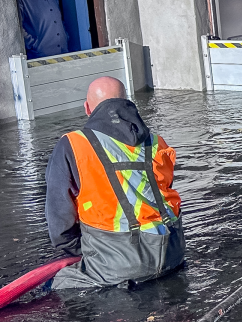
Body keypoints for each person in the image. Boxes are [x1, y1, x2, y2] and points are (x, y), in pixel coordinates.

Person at [45, 77, 185, 289]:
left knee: (53, 286)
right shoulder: (157, 142)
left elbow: (60, 226)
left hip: (118, 266)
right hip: (172, 252)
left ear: (87, 109)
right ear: (127, 103)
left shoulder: (73, 145)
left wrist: (89, 251)